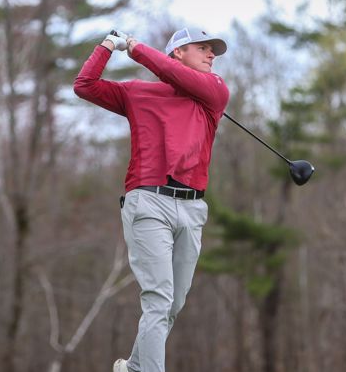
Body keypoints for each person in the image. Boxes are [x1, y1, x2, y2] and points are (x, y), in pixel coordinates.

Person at [73, 27, 229, 372]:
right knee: (158, 299)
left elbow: (171, 72)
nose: (211, 55)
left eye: (213, 50)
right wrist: (108, 46)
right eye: (203, 48)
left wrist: (136, 47)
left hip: (193, 208)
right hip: (148, 201)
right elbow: (85, 85)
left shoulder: (214, 92)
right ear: (177, 52)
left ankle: (133, 368)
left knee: (173, 304)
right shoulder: (137, 93)